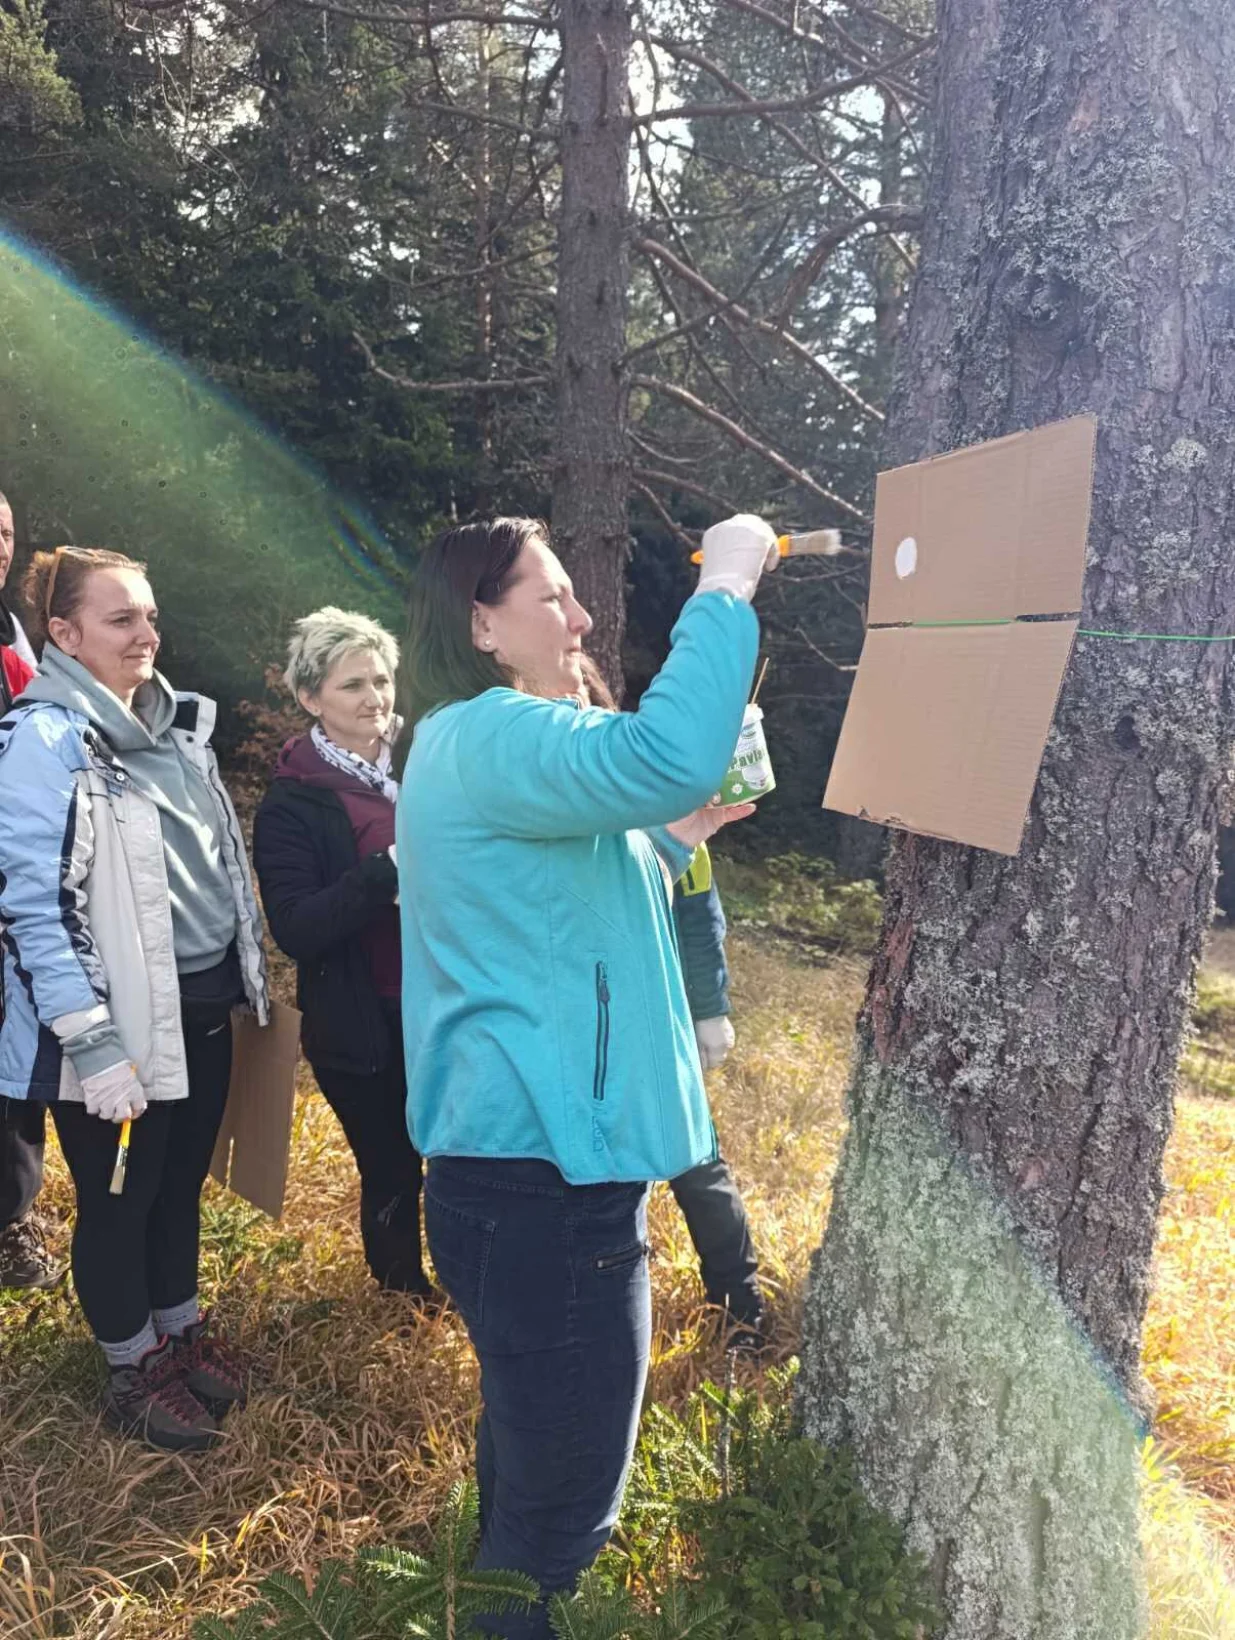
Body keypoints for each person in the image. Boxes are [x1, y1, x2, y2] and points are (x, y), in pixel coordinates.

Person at [395, 512, 777, 1636]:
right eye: (552, 595)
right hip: (546, 1189)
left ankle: (487, 1605)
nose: (582, 615)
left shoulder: (470, 744)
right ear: (479, 621)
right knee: (561, 1518)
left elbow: (554, 912)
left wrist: (673, 835)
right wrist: (728, 584)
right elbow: (662, 752)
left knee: (526, 1470)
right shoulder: (493, 730)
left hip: (511, 1179)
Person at [0, 545, 268, 1451]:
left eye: (149, 615)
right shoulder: (44, 741)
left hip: (198, 1008)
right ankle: (130, 1362)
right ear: (64, 633)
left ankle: (177, 1325)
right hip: (114, 1031)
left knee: (178, 1185)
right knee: (121, 1197)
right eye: (121, 619)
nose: (145, 634)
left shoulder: (173, 727)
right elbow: (32, 907)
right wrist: (93, 1046)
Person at [576, 655, 764, 1342]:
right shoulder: (540, 807)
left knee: (693, 1158)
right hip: (578, 1028)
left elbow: (696, 913)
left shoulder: (658, 808)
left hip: (654, 1017)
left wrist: (709, 1008)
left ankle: (738, 1300)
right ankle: (606, 1300)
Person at [252, 607, 433, 1298]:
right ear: (309, 698)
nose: (375, 698)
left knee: (455, 1157)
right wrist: (385, 870)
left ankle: (470, 1283)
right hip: (361, 1021)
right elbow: (296, 927)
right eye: (353, 684)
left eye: (382, 680)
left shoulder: (425, 766)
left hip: (443, 1003)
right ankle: (401, 1294)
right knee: (391, 1166)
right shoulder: (292, 802)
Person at [0, 486, 62, 1292]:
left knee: (17, 1060)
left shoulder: (17, 633)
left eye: (7, 531)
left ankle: (13, 1220)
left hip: (20, 887)